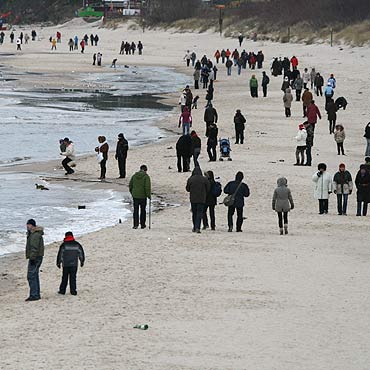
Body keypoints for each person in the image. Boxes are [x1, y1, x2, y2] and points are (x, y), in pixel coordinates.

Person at [56, 231, 85, 296]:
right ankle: (73, 291)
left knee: (64, 278)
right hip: (74, 264)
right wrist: (82, 261)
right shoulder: (77, 244)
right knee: (73, 278)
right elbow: (81, 253)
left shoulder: (64, 245)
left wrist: (58, 263)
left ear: (66, 236)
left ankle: (62, 291)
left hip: (65, 264)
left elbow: (60, 254)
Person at [185, 167, 210, 233]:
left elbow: (187, 189)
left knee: (194, 213)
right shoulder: (204, 179)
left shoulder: (191, 179)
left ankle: (194, 226)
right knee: (199, 213)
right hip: (202, 198)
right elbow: (208, 189)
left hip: (193, 199)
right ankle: (197, 227)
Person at [25, 219, 44, 301]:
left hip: (35, 257)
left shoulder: (35, 235)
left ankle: (34, 295)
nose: (27, 226)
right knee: (34, 275)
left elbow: (34, 248)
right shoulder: (33, 234)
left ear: (32, 225)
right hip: (37, 256)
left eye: (28, 225)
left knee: (31, 276)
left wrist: (32, 258)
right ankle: (36, 294)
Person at [129, 165, 151, 229]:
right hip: (143, 196)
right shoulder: (146, 177)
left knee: (135, 210)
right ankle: (142, 224)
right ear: (145, 170)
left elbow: (130, 185)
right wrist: (148, 196)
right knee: (143, 210)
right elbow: (147, 187)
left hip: (135, 196)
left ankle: (135, 225)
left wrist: (132, 193)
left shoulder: (134, 176)